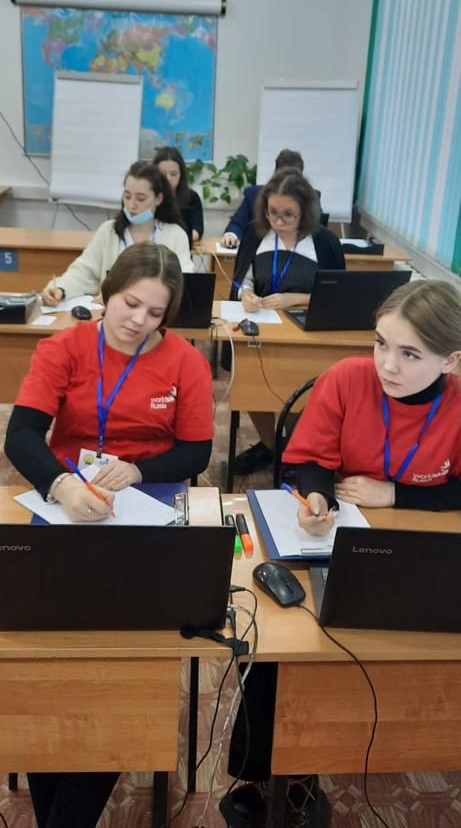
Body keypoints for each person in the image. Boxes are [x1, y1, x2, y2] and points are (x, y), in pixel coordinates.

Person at [222, 279, 461, 828]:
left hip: (423, 549)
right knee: (284, 642)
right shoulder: (348, 378)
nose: (388, 365)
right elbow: (309, 460)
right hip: (341, 540)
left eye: (410, 354)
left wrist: (395, 494)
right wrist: (317, 498)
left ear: (450, 361)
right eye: (381, 343)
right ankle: (269, 774)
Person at [5, 241, 213, 827]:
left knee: (124, 664)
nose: (139, 321)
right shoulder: (64, 347)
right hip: (68, 506)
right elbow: (21, 435)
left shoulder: (185, 362)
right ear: (107, 292)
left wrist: (141, 470)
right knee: (47, 657)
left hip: (147, 509)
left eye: (156, 313)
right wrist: (59, 485)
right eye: (130, 304)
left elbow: (197, 451)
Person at [232, 168, 344, 475]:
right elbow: (244, 280)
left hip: (308, 334)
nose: (278, 222)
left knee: (299, 391)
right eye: (272, 213)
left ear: (305, 212)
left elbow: (338, 295)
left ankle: (295, 448)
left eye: (288, 215)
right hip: (263, 330)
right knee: (250, 385)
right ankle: (271, 446)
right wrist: (246, 295)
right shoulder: (256, 233)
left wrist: (294, 298)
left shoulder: (324, 242)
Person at [41, 160, 194, 305]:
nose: (131, 205)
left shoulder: (175, 235)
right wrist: (60, 288)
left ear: (158, 199)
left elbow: (183, 283)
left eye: (141, 198)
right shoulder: (109, 231)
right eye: (127, 196)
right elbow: (83, 272)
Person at [221, 149, 306, 249]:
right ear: (275, 175)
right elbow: (237, 223)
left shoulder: (309, 199)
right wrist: (231, 235)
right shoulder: (254, 195)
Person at [153, 145, 204, 243]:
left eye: (173, 174)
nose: (168, 179)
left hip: (181, 245)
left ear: (181, 175)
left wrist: (178, 240)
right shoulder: (149, 196)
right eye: (163, 174)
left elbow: (197, 230)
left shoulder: (191, 197)